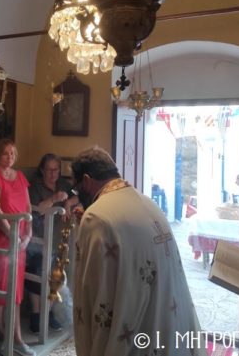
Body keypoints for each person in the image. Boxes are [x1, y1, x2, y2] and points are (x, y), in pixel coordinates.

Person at [71, 146, 206, 356]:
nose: (77, 195)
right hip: (167, 325)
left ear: (86, 181)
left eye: (76, 189)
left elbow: (93, 290)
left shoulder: (96, 217)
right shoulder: (147, 202)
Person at [0, 139, 36, 356]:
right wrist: (12, 235)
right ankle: (2, 334)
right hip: (0, 239)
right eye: (5, 153)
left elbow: (28, 207)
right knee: (1, 289)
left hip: (19, 239)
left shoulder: (20, 176)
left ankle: (17, 338)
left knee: (16, 290)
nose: (10, 157)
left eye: (13, 153)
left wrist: (28, 234)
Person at [25, 153, 79, 333]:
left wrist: (69, 203)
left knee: (57, 275)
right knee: (37, 273)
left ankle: (48, 314)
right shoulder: (35, 187)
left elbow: (79, 195)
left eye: (56, 169)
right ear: (42, 170)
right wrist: (54, 199)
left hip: (57, 239)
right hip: (37, 239)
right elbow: (36, 210)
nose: (53, 174)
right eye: (49, 170)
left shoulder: (63, 184)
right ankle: (36, 315)